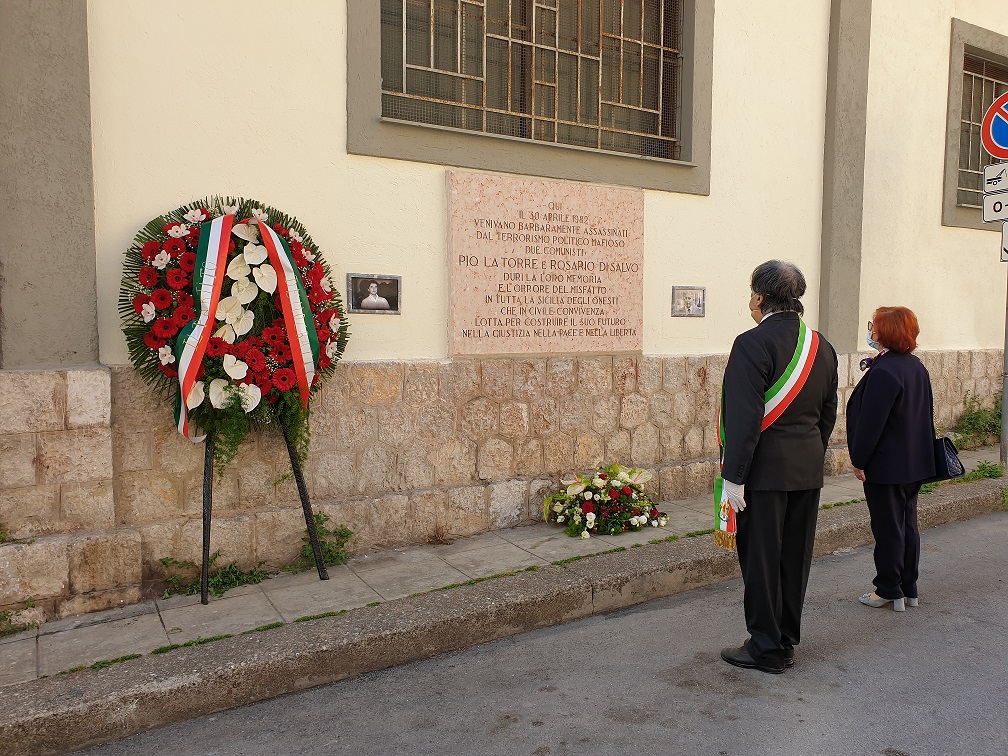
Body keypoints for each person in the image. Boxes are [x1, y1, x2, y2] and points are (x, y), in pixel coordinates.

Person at [719, 260, 839, 674]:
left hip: (764, 476)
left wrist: (733, 477)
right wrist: (807, 453)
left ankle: (766, 649)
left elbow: (743, 418)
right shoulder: (821, 345)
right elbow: (827, 414)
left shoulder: (752, 343)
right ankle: (786, 638)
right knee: (795, 559)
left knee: (762, 561)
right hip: (806, 471)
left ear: (759, 296)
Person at [846, 307, 935, 612]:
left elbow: (872, 424)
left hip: (886, 465)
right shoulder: (915, 367)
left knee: (887, 528)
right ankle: (908, 588)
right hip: (913, 463)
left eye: (875, 325)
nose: (871, 330)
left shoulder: (884, 371)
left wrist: (858, 460)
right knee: (907, 525)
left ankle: (887, 588)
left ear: (887, 332)